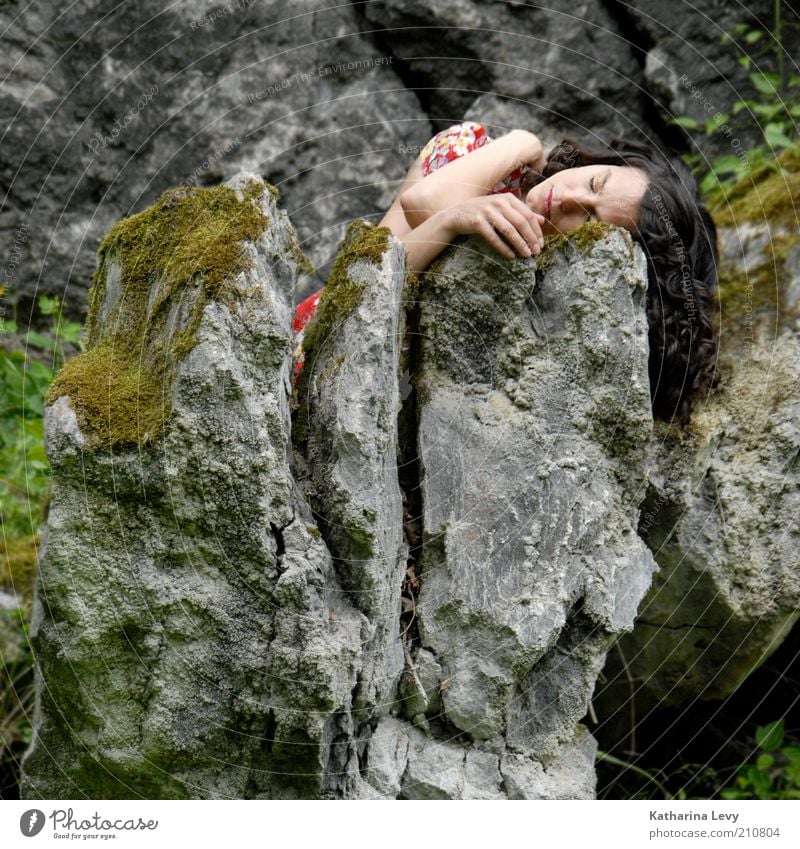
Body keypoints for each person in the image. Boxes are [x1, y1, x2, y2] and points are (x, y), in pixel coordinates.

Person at [294, 121, 719, 426]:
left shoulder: (549, 297)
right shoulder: (487, 162)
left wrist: (450, 223)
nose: (566, 197)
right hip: (315, 345)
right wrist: (520, 142)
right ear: (602, 161)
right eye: (594, 183)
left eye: (588, 220)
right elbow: (410, 221)